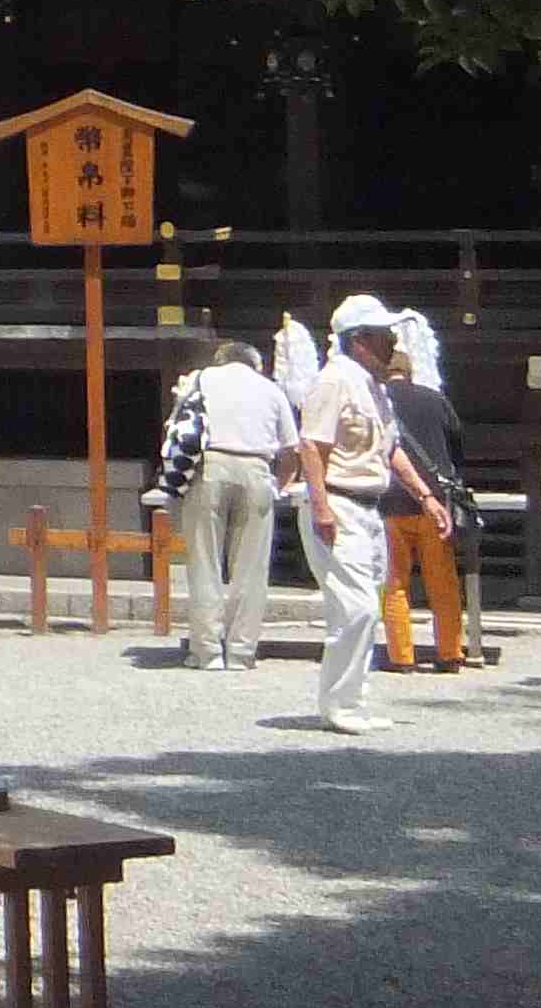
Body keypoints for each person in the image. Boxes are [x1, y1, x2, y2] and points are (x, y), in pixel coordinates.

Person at [294, 295, 447, 732]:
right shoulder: (333, 381)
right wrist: (321, 506)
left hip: (368, 505)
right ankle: (337, 704)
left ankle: (354, 700)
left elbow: (390, 448)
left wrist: (425, 495)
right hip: (338, 501)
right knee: (355, 608)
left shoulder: (373, 387)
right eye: (383, 336)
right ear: (359, 340)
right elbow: (312, 445)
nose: (392, 343)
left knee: (367, 608)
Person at [174, 336, 298, 671]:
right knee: (252, 568)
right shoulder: (271, 390)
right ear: (256, 364)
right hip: (257, 468)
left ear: (221, 359)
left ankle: (207, 651)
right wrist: (279, 485)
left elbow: (178, 429)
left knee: (205, 562)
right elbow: (291, 451)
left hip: (210, 466)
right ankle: (242, 651)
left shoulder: (200, 378)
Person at [378, 311, 484, 673]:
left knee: (395, 582)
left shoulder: (377, 401)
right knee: (443, 581)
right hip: (433, 502)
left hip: (389, 501)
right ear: (410, 372)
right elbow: (457, 446)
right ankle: (450, 652)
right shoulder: (434, 400)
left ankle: (401, 657)